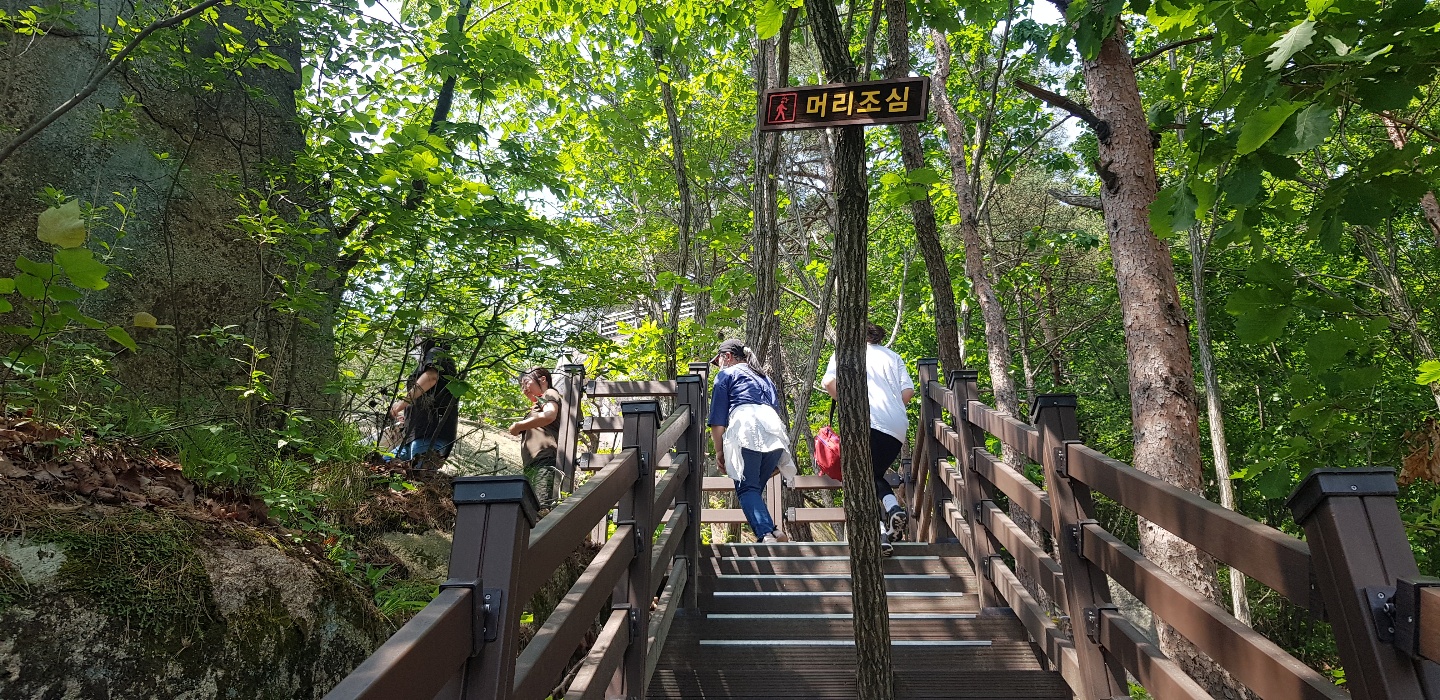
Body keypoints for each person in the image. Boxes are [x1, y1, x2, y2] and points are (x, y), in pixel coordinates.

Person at [821, 321, 915, 555]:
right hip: (896, 426)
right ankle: (890, 516)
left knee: (860, 476)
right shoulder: (893, 357)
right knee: (872, 475)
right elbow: (908, 392)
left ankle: (881, 530)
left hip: (867, 422)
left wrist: (850, 405)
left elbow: (829, 382)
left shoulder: (845, 353)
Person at [708, 339, 796, 543]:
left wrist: (719, 451)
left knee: (746, 489)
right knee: (753, 489)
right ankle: (773, 532)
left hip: (746, 429)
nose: (718, 366)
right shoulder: (764, 378)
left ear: (727, 357)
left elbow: (718, 420)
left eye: (718, 361)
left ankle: (766, 536)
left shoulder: (726, 375)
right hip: (774, 433)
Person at [389, 332, 460, 469]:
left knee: (417, 477)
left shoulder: (436, 353)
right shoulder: (426, 363)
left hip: (428, 436)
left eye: (417, 342)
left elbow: (431, 378)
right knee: (384, 464)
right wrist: (407, 416)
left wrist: (399, 405)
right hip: (414, 436)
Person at [508, 367, 562, 505]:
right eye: (522, 386)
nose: (524, 389)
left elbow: (549, 415)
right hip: (534, 464)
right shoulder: (540, 402)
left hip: (544, 461)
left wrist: (518, 426)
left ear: (543, 379)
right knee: (532, 509)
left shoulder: (549, 393)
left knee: (541, 509)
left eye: (526, 382)